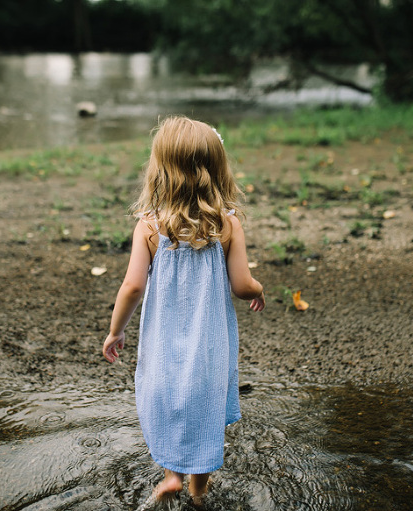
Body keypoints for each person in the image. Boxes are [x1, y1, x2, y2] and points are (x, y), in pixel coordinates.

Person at [102, 116, 265, 507]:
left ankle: (171, 476)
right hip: (208, 347)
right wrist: (259, 288)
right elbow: (243, 286)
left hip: (162, 345)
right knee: (202, 406)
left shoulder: (148, 226)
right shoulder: (227, 225)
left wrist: (115, 332)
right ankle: (197, 492)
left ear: (160, 169)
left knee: (168, 400)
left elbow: (133, 287)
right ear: (217, 169)